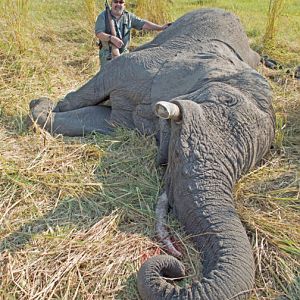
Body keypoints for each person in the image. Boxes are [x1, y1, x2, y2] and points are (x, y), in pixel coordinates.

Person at [95, 0, 170, 66]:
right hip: (107, 54)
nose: (118, 4)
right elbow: (99, 33)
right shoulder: (103, 16)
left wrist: (160, 28)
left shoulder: (128, 16)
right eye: (116, 2)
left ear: (124, 5)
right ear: (111, 3)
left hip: (124, 53)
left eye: (121, 2)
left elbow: (143, 24)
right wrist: (111, 38)